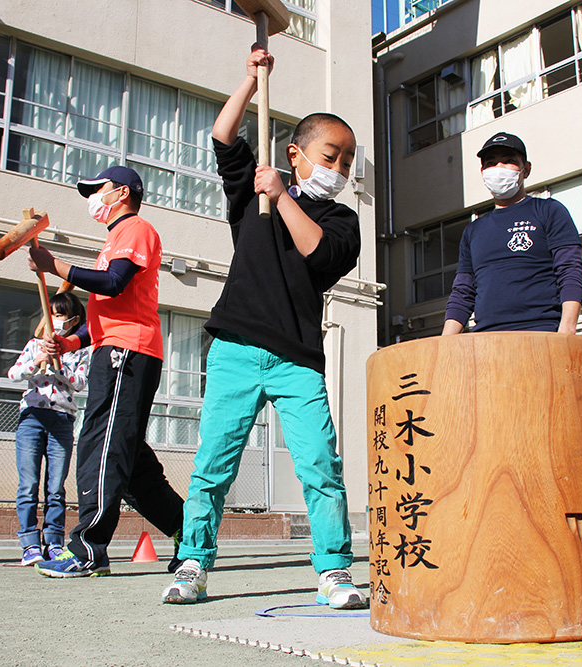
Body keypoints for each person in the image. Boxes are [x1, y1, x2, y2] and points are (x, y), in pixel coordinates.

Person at [161, 47, 365, 609]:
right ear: (296, 153)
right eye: (331, 156)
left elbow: (319, 255)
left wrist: (281, 194)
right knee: (212, 465)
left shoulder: (341, 221)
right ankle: (193, 565)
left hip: (298, 357)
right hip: (235, 348)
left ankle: (333, 571)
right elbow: (223, 134)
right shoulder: (249, 191)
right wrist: (251, 81)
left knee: (321, 465)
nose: (340, 169)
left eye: (348, 162)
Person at [27, 165, 184, 577]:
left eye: (100, 189)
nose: (93, 197)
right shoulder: (115, 238)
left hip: (128, 351)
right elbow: (106, 311)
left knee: (104, 444)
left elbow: (113, 283)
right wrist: (70, 342)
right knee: (127, 459)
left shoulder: (136, 229)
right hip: (119, 348)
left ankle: (87, 549)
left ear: (123, 193)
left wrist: (54, 264)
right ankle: (189, 530)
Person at [442, 132, 582, 336]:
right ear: (482, 171)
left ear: (526, 170)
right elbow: (463, 292)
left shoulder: (548, 211)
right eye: (491, 163)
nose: (498, 169)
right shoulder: (473, 230)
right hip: (485, 339)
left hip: (540, 332)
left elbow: (569, 269)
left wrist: (567, 328)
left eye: (509, 161)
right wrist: (444, 344)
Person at [7, 291, 89, 566]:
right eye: (51, 314)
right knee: (28, 484)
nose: (55, 320)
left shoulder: (80, 350)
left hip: (62, 420)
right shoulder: (34, 345)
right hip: (31, 417)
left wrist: (58, 365)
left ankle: (54, 541)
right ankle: (29, 543)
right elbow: (14, 374)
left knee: (56, 487)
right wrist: (37, 360)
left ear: (73, 320)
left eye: (60, 315)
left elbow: (79, 383)